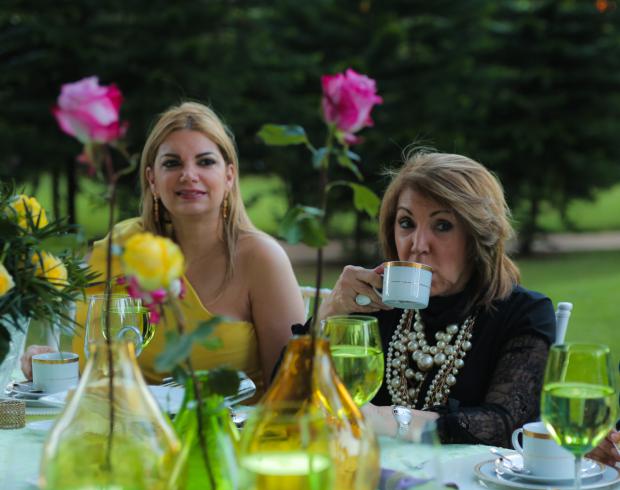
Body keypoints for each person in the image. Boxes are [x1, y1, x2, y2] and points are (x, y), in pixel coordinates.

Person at [22, 101, 305, 397]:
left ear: (229, 176)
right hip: (127, 432)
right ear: (152, 180)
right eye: (172, 163)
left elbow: (290, 388)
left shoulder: (261, 258)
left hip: (226, 435)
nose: (189, 174)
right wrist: (47, 362)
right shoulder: (124, 247)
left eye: (205, 162)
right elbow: (92, 371)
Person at [316, 150, 556, 448]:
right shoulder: (375, 303)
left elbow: (507, 424)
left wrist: (385, 418)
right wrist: (328, 312)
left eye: (442, 225)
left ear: (478, 236)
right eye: (406, 223)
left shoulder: (523, 313)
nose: (418, 245)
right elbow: (287, 396)